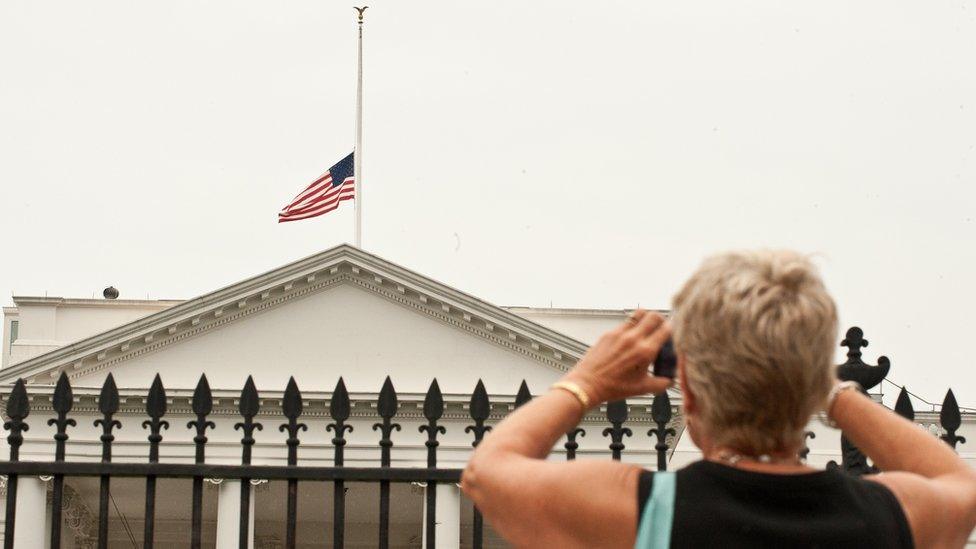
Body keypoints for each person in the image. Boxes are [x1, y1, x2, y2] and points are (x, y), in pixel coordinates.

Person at [461, 250, 976, 548]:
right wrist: (831, 388)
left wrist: (585, 384)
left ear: (688, 380)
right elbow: (959, 483)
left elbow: (487, 472)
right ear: (814, 377)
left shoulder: (644, 511)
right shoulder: (888, 517)